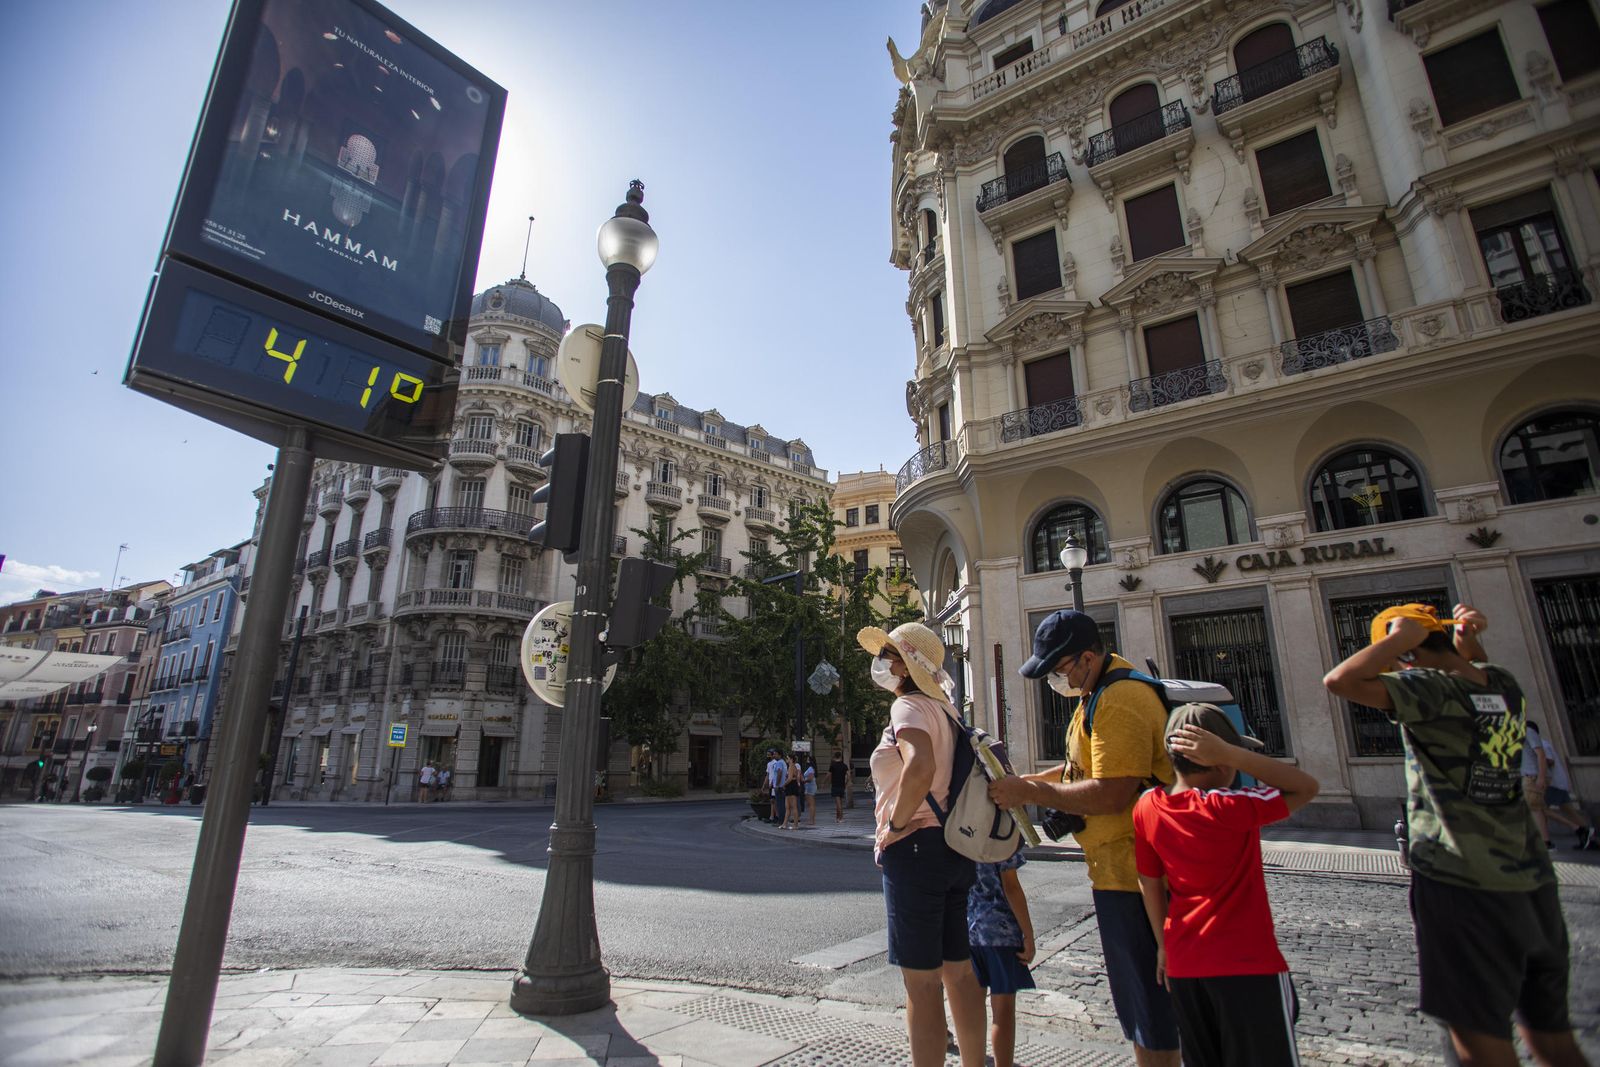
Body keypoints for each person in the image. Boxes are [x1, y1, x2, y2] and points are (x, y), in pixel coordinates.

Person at [1324, 602, 1589, 1067]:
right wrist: (1465, 640)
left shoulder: (1428, 689)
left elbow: (1340, 681)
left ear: (1407, 654)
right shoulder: (1503, 685)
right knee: (1553, 1040)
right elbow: (1475, 669)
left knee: (1479, 1044)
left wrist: (1398, 640)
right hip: (1531, 882)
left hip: (1461, 879)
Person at [988, 609, 1180, 1067]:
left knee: (1154, 1015)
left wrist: (1030, 790)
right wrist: (1029, 780)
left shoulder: (1120, 698)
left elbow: (1113, 791)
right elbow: (1084, 769)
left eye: (1060, 668)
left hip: (1139, 878)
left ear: (1088, 657)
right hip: (1117, 873)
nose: (1059, 678)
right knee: (1138, 1011)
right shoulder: (1096, 694)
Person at [1133, 703, 1321, 1067]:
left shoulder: (1148, 807)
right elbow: (1306, 787)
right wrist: (1231, 753)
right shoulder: (1230, 806)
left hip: (1184, 964)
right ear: (1220, 761)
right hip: (1247, 966)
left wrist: (1162, 947)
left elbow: (1150, 882)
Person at [860, 621, 986, 1067]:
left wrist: (893, 827)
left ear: (906, 666)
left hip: (915, 849)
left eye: (890, 655)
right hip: (954, 846)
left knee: (921, 984)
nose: (883, 664)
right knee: (959, 972)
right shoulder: (948, 710)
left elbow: (919, 767)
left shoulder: (908, 707)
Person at [967, 845, 1036, 1067]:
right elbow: (1011, 886)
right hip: (1001, 929)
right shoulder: (1002, 829)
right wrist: (1028, 933)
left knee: (971, 1008)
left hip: (966, 927)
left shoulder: (956, 822)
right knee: (1003, 1007)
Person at [1536, 725, 1597, 851]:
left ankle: (1576, 828)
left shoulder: (1540, 744)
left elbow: (1549, 761)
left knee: (1539, 809)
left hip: (1551, 784)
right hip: (1557, 783)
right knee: (1569, 811)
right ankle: (1590, 838)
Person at [1522, 720, 1554, 848]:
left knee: (1535, 809)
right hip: (1525, 775)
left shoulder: (1528, 731)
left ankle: (1546, 842)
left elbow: (1541, 755)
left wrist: (1541, 777)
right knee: (1536, 809)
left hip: (1532, 776)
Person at [765, 748, 787, 825]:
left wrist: (777, 784)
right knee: (781, 804)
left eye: (775, 754)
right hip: (782, 786)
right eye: (773, 754)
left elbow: (779, 773)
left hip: (778, 787)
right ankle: (782, 820)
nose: (774, 755)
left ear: (779, 755)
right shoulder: (783, 762)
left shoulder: (779, 763)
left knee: (779, 804)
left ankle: (780, 821)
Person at [784, 754, 803, 829]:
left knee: (793, 806)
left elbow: (790, 778)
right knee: (788, 806)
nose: (786, 759)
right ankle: (784, 823)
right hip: (792, 786)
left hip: (791, 786)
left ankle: (795, 825)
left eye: (787, 758)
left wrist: (784, 784)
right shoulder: (793, 766)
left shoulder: (791, 766)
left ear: (791, 759)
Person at [830, 751, 849, 823]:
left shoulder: (833, 765)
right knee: (840, 802)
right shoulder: (844, 765)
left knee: (838, 803)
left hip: (835, 785)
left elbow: (829, 775)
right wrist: (846, 783)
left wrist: (824, 782)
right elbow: (848, 776)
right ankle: (837, 817)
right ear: (841, 757)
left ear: (835, 757)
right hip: (842, 785)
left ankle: (841, 818)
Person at [802, 754, 818, 826]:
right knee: (810, 804)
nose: (807, 760)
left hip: (810, 787)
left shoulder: (811, 768)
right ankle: (811, 820)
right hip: (809, 786)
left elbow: (810, 778)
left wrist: (803, 781)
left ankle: (812, 820)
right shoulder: (811, 768)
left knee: (811, 804)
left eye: (808, 759)